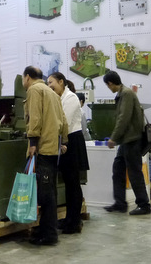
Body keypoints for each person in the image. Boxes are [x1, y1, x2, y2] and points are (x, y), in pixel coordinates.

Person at [22, 66, 69, 246]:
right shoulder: (53, 93)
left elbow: (35, 118)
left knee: (45, 195)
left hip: (42, 148)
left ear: (27, 77)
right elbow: (63, 120)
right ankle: (45, 230)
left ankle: (49, 235)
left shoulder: (34, 90)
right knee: (50, 192)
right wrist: (63, 141)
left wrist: (33, 142)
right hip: (53, 148)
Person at [103, 70, 151, 215]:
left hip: (132, 139)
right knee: (118, 169)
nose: (108, 88)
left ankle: (144, 205)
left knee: (134, 172)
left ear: (110, 83)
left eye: (107, 85)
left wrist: (113, 138)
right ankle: (120, 203)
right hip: (126, 140)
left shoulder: (126, 94)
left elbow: (123, 118)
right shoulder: (122, 94)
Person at [47, 72, 89, 234]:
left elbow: (64, 121)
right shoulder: (59, 98)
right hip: (65, 140)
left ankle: (75, 222)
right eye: (47, 83)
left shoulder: (70, 98)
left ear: (61, 82)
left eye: (51, 82)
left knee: (73, 183)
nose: (49, 86)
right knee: (68, 182)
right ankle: (70, 219)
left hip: (72, 141)